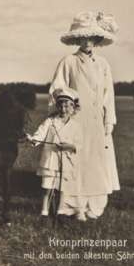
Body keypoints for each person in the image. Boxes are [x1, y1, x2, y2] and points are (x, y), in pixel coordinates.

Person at [49, 11, 120, 219]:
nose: (87, 41)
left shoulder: (103, 64)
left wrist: (109, 119)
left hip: (97, 120)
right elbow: (57, 89)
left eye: (91, 37)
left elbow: (108, 95)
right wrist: (67, 107)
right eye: (83, 37)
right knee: (77, 161)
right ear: (77, 39)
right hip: (77, 120)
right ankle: (75, 206)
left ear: (96, 39)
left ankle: (94, 206)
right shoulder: (68, 62)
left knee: (97, 161)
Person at [26, 88, 85, 221]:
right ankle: (44, 212)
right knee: (47, 187)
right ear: (57, 106)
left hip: (67, 159)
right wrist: (33, 139)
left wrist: (69, 146)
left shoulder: (76, 125)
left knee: (62, 187)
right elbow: (40, 134)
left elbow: (80, 145)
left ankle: (60, 211)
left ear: (72, 107)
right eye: (61, 105)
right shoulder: (50, 121)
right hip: (50, 159)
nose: (63, 109)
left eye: (66, 106)